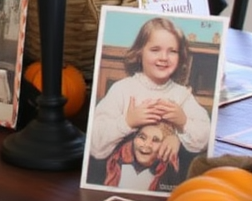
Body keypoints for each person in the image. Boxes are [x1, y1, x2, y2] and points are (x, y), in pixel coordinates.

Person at [88, 16, 211, 167]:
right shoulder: (122, 89)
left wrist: (182, 124)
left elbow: (206, 139)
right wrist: (127, 122)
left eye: (172, 51)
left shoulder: (182, 95)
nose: (164, 58)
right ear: (139, 53)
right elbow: (95, 144)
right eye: (155, 50)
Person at [101, 120, 180, 193]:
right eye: (142, 137)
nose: (146, 144)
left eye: (155, 140)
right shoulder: (114, 160)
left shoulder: (169, 172)